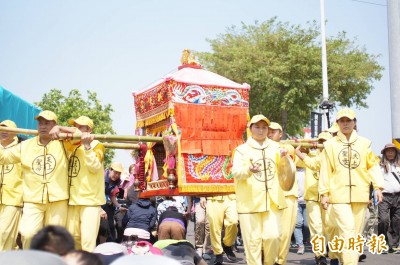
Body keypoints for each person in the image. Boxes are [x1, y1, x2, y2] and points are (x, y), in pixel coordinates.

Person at [319, 108, 384, 264]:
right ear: (338, 123)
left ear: (355, 123)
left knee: (354, 235)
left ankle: (344, 258)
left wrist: (378, 187)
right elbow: (325, 170)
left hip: (360, 195)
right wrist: (324, 193)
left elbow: (372, 166)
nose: (346, 124)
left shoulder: (364, 144)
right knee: (348, 233)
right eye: (342, 121)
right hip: (338, 196)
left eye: (349, 121)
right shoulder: (330, 145)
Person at [0, 110, 70, 249]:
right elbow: (4, 158)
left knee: (55, 239)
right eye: (40, 123)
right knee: (28, 233)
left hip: (58, 198)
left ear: (54, 124)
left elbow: (79, 134)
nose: (43, 126)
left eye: (47, 123)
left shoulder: (64, 143)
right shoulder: (25, 145)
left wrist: (61, 128)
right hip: (33, 199)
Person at [231, 114, 287, 265]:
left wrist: (284, 159)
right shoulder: (241, 150)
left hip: (273, 202)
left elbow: (285, 171)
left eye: (264, 127)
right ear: (250, 129)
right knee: (253, 243)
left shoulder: (277, 148)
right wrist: (248, 170)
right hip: (250, 204)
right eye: (257, 127)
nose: (261, 130)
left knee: (273, 237)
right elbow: (235, 172)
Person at [50, 116, 106, 251]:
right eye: (75, 126)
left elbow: (95, 167)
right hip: (73, 200)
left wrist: (87, 146)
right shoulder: (72, 144)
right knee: (73, 240)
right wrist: (58, 128)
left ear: (89, 130)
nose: (76, 129)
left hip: (90, 202)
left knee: (88, 243)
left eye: (80, 127)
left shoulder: (97, 145)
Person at [295, 131, 332, 265]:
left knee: (328, 226)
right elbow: (297, 162)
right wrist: (301, 148)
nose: (321, 144)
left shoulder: (332, 156)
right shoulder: (309, 155)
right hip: (311, 196)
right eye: (320, 141)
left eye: (324, 142)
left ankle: (330, 250)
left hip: (328, 196)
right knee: (316, 227)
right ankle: (319, 254)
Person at [268, 122, 298, 265]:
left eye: (273, 131)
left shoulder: (287, 148)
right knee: (271, 233)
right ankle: (269, 258)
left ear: (280, 134)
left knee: (285, 233)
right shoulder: (261, 148)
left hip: (288, 196)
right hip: (270, 196)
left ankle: (280, 261)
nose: (269, 133)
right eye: (268, 131)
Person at [0, 120, 23, 251]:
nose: (3, 132)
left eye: (7, 129)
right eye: (1, 129)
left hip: (13, 198)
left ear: (15, 133)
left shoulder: (21, 149)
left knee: (4, 234)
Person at [378, 143, 400, 253]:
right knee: (383, 220)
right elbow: (373, 181)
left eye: (392, 150)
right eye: (388, 151)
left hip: (398, 196)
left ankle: (394, 245)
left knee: (397, 221)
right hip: (384, 196)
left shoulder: (399, 165)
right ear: (385, 153)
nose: (390, 152)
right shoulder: (380, 166)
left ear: (396, 152)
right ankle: (382, 244)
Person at [206, 194, 238, 265]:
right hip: (213, 198)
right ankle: (218, 253)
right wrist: (202, 197)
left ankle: (227, 245)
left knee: (233, 222)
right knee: (215, 228)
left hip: (231, 197)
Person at [102, 162, 127, 242]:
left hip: (104, 204)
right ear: (110, 169)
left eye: (119, 173)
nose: (116, 175)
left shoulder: (116, 181)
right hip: (94, 204)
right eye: (115, 172)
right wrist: (99, 209)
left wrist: (118, 206)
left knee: (111, 227)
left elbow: (112, 195)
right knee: (103, 228)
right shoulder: (101, 176)